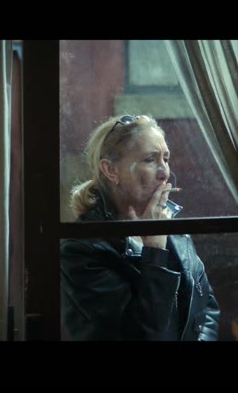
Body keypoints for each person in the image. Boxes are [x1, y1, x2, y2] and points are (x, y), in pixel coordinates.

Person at [60, 114, 220, 341]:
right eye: (150, 160)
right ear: (111, 170)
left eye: (166, 159)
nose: (165, 172)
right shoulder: (81, 250)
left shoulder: (172, 229)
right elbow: (140, 334)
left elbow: (206, 311)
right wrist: (154, 251)